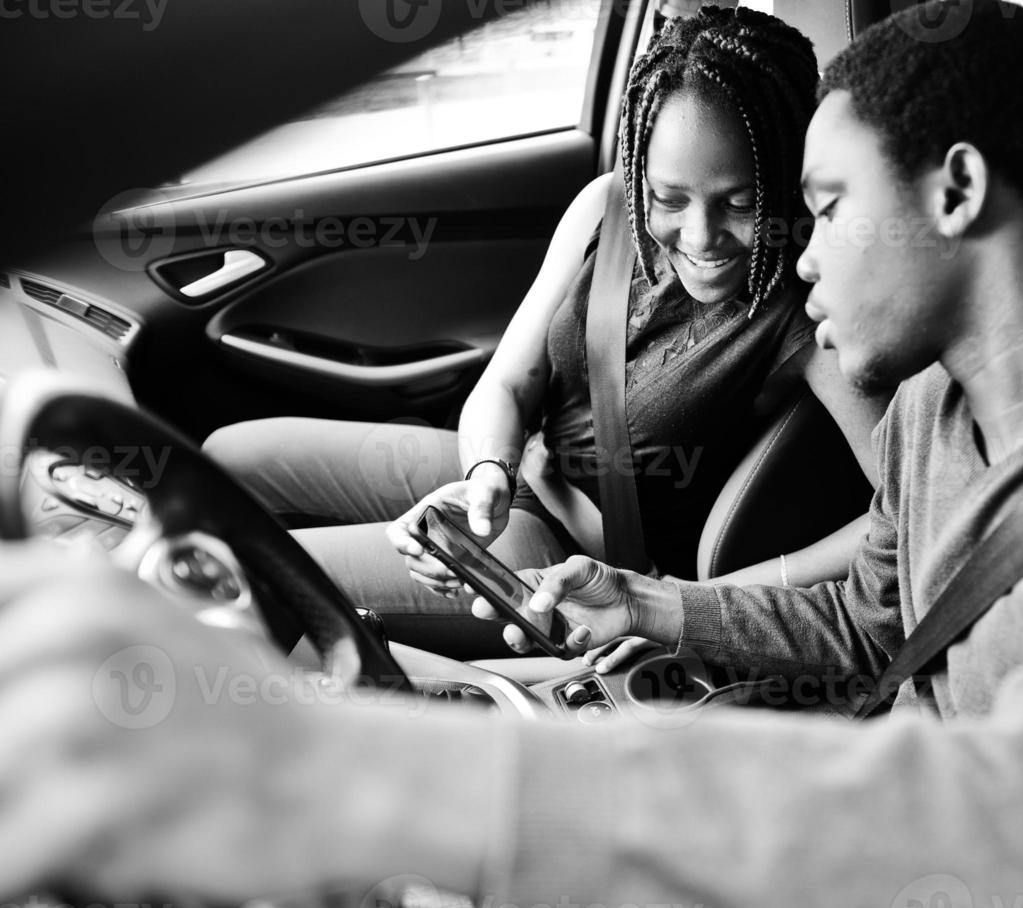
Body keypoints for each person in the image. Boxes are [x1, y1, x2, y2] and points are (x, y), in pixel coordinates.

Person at [0, 3, 1023, 908]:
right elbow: (879, 605)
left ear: (958, 189)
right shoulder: (936, 405)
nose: (791, 258)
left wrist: (353, 774)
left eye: (825, 206)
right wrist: (654, 608)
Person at [202, 7, 889, 661]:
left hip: (576, 561)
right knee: (226, 455)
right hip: (519, 476)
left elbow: (903, 513)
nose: (702, 235)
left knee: (239, 571)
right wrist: (484, 478)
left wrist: (700, 601)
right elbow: (509, 379)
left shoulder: (804, 308)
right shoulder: (605, 211)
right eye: (669, 199)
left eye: (740, 203)